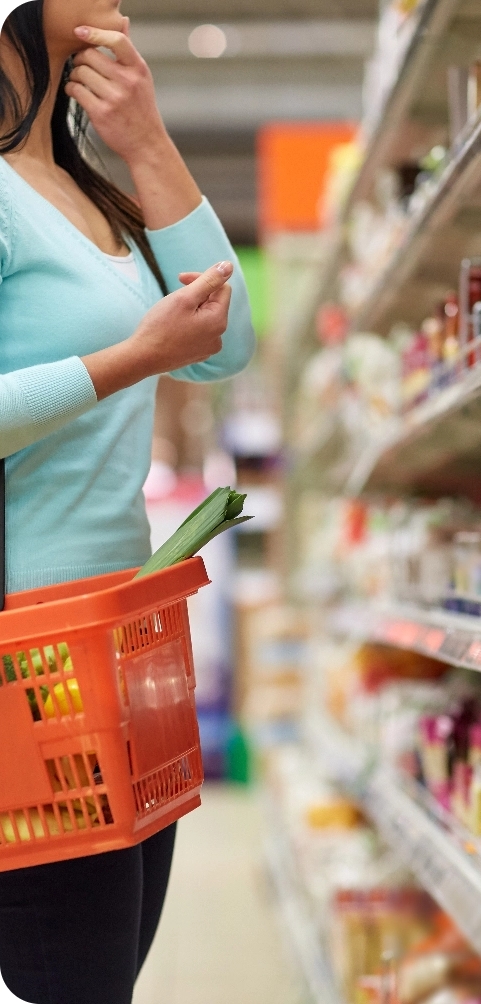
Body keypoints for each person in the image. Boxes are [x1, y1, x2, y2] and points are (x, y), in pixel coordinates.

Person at [0, 0, 255, 1001]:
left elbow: (227, 341)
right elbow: (161, 351)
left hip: (119, 643)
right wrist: (131, 358)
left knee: (106, 968)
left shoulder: (81, 185)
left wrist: (146, 140)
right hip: (34, 661)